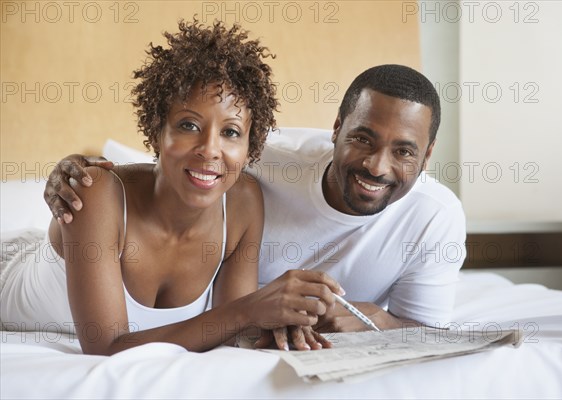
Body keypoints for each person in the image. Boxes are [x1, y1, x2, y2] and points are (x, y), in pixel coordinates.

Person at [0, 20, 345, 355]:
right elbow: (106, 346)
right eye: (189, 124)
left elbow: (231, 334)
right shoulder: (96, 195)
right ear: (156, 130)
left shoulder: (243, 202)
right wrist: (251, 309)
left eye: (231, 132)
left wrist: (279, 321)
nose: (210, 149)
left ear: (250, 146)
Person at [43, 64, 467, 337]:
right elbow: (169, 172)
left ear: (427, 156)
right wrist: (78, 172)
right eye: (362, 138)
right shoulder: (260, 157)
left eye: (405, 151)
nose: (377, 166)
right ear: (335, 128)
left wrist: (371, 318)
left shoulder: (435, 216)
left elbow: (427, 333)